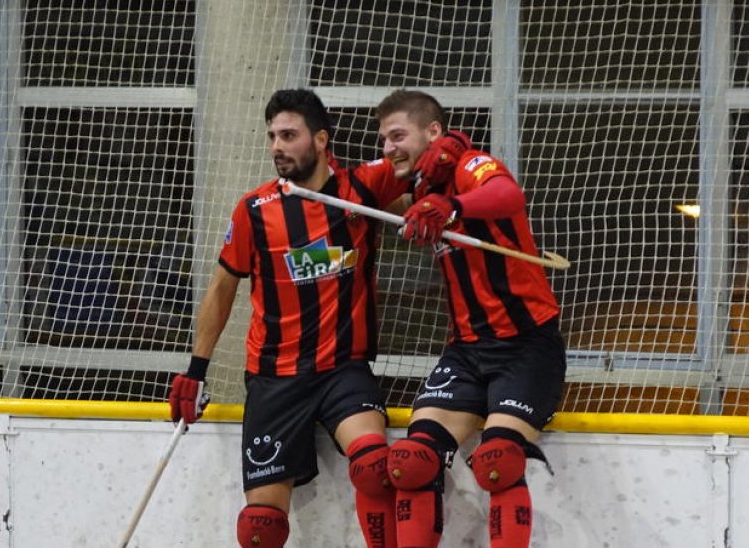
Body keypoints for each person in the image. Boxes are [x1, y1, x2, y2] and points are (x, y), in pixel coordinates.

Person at [168, 88, 410, 548]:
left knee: (376, 469)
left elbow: (419, 156)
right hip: (274, 378)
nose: (277, 146)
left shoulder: (360, 188)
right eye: (273, 136)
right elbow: (221, 290)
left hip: (343, 370)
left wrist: (444, 172)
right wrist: (195, 370)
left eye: (289, 135)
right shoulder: (255, 210)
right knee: (259, 529)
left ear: (321, 140)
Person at [375, 90, 566, 548]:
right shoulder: (419, 190)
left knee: (497, 459)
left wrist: (454, 207)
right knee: (412, 462)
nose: (387, 148)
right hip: (465, 350)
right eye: (382, 139)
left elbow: (507, 193)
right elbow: (373, 196)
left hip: (524, 346)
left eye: (398, 135)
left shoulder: (470, 166)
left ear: (433, 131)